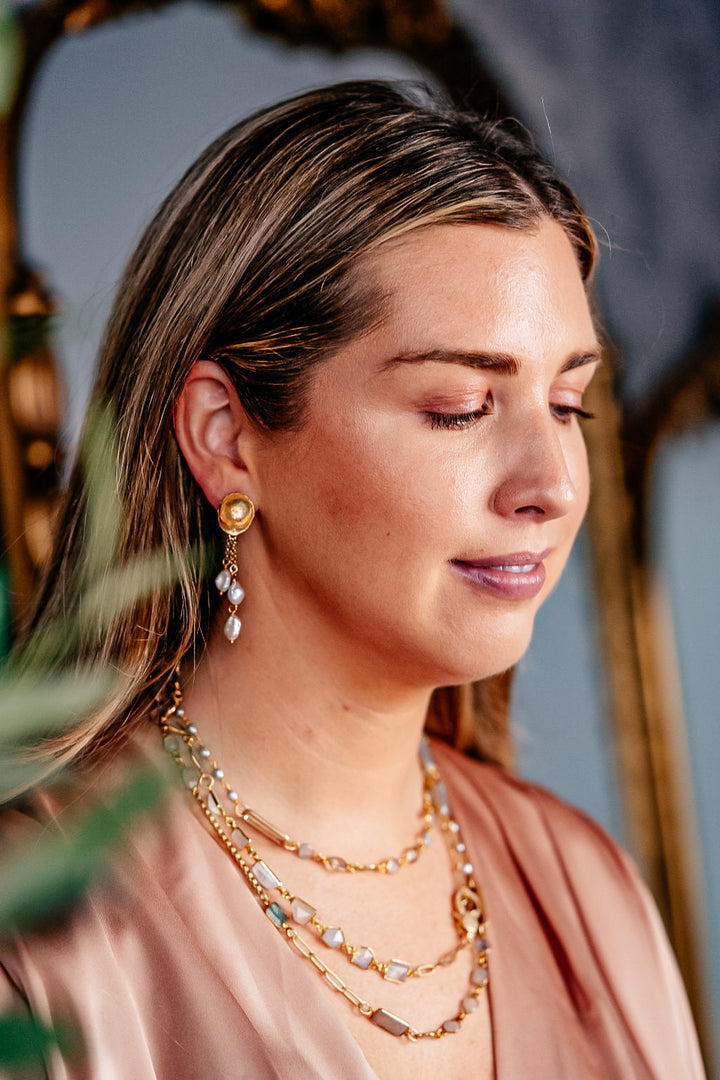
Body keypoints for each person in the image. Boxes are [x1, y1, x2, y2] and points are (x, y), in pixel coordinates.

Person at [0, 80, 705, 1079]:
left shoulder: (588, 893)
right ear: (226, 439)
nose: (549, 485)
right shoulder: (39, 929)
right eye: (460, 406)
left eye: (567, 404)